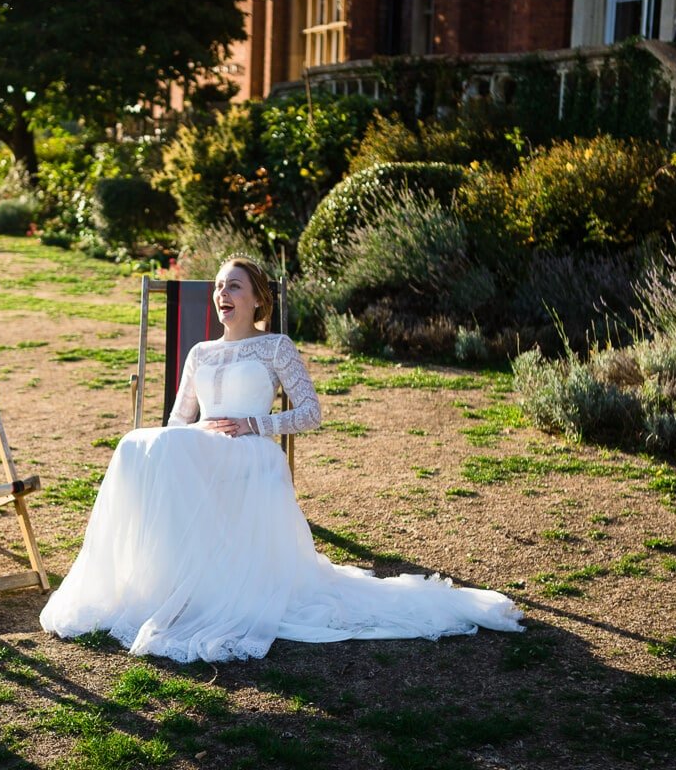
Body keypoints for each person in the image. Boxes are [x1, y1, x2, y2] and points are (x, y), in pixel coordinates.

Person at [39, 257, 523, 663]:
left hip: (251, 451)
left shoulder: (276, 346)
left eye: (234, 286)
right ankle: (143, 581)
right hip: (202, 448)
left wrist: (256, 425)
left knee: (156, 445)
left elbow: (311, 413)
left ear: (256, 299)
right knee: (136, 443)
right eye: (218, 287)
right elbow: (177, 419)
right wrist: (190, 436)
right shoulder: (200, 352)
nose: (222, 294)